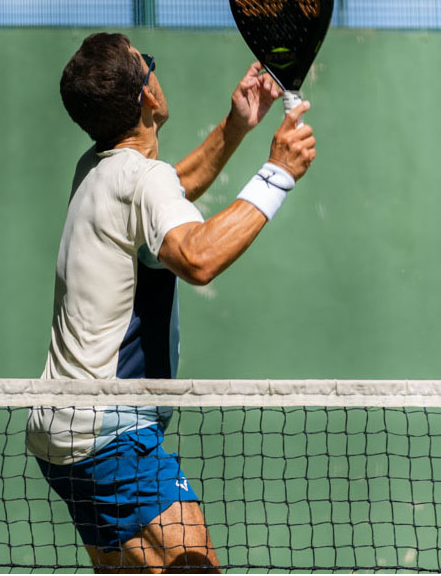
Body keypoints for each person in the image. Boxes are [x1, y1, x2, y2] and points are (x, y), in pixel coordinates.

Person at [26, 33, 316, 573]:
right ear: (148, 96)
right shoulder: (140, 178)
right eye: (150, 64)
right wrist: (277, 173)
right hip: (112, 434)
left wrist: (237, 126)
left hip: (60, 431)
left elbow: (170, 193)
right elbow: (196, 257)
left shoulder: (97, 168)